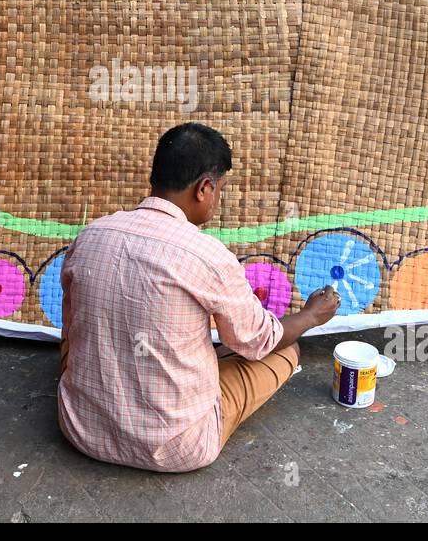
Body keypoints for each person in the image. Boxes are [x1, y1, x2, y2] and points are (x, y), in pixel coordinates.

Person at [56, 122, 340, 472]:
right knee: (283, 350)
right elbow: (260, 341)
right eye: (221, 190)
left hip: (81, 429)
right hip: (176, 447)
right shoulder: (207, 255)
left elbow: (71, 325)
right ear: (204, 188)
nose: (218, 199)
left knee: (91, 334)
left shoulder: (91, 234)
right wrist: (312, 316)